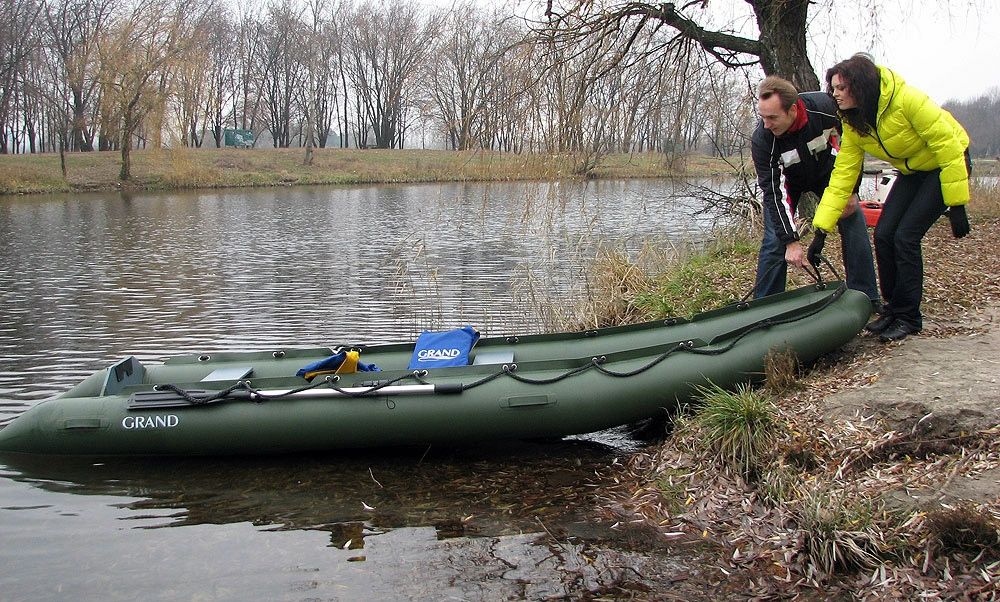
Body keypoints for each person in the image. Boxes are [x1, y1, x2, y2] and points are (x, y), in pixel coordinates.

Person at [807, 54, 971, 342]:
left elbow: (948, 146)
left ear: (862, 87)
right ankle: (893, 309)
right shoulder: (855, 121)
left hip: (947, 163)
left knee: (905, 237)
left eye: (842, 88)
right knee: (883, 234)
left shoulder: (906, 100)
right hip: (913, 170)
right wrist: (821, 229)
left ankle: (909, 317)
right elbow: (843, 174)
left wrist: (957, 204)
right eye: (833, 88)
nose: (835, 94)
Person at [751, 75, 879, 306]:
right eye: (762, 117)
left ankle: (866, 297)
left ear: (792, 109)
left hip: (827, 173)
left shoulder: (826, 108)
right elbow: (773, 192)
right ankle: (765, 307)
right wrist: (791, 241)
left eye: (772, 117)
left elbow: (853, 147)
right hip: (789, 184)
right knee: (774, 240)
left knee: (853, 219)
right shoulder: (763, 139)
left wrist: (852, 190)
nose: (766, 124)